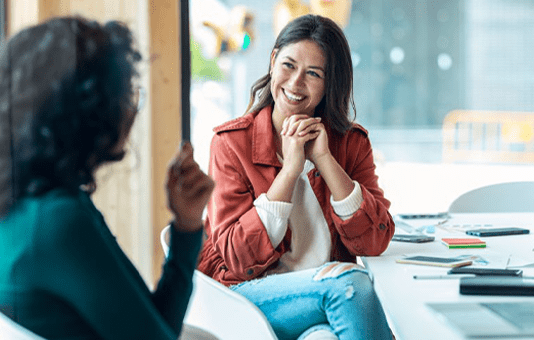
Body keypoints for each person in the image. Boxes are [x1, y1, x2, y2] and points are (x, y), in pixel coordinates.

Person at [0, 16, 214, 340]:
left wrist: (186, 225)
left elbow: (153, 327)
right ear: (90, 111)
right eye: (127, 95)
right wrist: (186, 233)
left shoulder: (30, 203)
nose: (132, 110)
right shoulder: (57, 222)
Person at [197, 14, 395, 340]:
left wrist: (324, 159)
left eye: (313, 73)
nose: (295, 83)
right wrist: (290, 170)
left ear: (330, 83)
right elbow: (235, 257)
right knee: (352, 285)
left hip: (321, 302)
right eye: (288, 65)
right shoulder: (231, 143)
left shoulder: (351, 143)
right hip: (248, 297)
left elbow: (373, 242)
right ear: (273, 61)